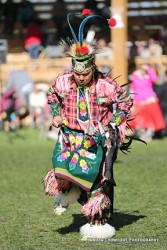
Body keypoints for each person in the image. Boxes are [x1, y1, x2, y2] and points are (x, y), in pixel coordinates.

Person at [43, 10, 133, 240]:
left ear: (93, 67)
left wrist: (115, 121)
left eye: (85, 74)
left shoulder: (106, 85)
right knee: (65, 172)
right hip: (70, 138)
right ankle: (66, 193)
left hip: (98, 139)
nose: (81, 77)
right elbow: (53, 95)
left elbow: (124, 102)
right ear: (72, 68)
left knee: (99, 181)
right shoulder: (62, 81)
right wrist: (55, 114)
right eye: (77, 73)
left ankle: (98, 220)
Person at [129, 64, 165, 142]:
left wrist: (148, 69)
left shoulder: (148, 76)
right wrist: (132, 100)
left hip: (149, 101)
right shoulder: (135, 76)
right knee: (137, 120)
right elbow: (133, 88)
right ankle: (142, 135)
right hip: (139, 101)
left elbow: (155, 78)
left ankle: (148, 135)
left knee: (150, 120)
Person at [153, 69, 167, 137]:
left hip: (163, 106)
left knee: (163, 121)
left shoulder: (162, 86)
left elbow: (157, 98)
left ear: (165, 76)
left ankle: (162, 133)